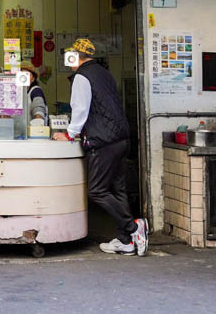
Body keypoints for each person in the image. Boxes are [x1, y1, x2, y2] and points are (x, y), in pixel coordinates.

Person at [54, 38, 148, 256]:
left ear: (77, 56)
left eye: (71, 56)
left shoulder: (81, 77)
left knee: (97, 190)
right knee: (118, 188)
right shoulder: (104, 73)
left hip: (103, 141)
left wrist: (70, 134)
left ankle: (134, 228)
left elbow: (80, 109)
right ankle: (126, 241)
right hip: (121, 138)